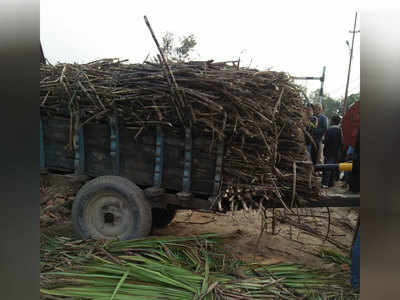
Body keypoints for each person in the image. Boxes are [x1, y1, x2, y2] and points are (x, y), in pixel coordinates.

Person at [321, 115, 343, 188]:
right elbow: (341, 142)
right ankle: (331, 183)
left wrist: (323, 141)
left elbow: (326, 141)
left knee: (327, 167)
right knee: (333, 168)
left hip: (328, 152)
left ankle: (325, 183)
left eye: (330, 120)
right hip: (336, 153)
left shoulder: (329, 130)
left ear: (333, 121)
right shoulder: (339, 130)